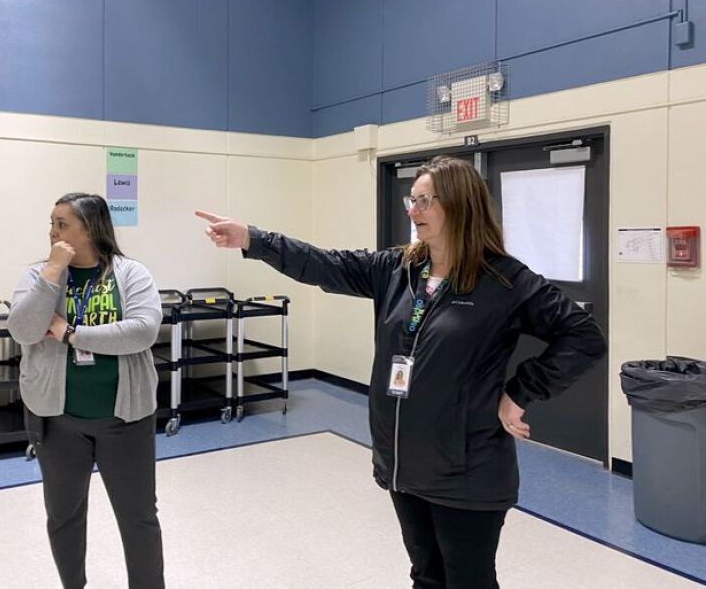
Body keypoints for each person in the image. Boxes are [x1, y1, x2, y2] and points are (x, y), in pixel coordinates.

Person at [195, 156, 606, 589]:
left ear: (461, 206)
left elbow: (583, 337)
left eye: (425, 200)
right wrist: (254, 240)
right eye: (413, 199)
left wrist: (520, 392)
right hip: (404, 464)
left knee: (468, 581)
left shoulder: (503, 281)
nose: (413, 209)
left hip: (467, 471)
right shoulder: (399, 269)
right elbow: (323, 264)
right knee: (426, 576)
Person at [7, 193, 165, 589]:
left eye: (63, 224)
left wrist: (71, 334)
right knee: (64, 515)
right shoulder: (37, 276)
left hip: (125, 418)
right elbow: (23, 330)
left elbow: (143, 331)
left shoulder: (130, 274)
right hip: (58, 421)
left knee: (138, 516)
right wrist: (52, 274)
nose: (52, 232)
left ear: (90, 227)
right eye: (51, 223)